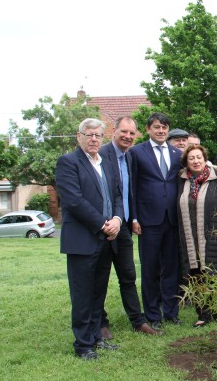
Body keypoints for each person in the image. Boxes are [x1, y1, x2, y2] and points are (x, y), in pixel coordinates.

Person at [55, 118, 123, 360]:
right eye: (89, 134)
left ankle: (96, 337)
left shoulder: (105, 163)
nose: (94, 139)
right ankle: (83, 345)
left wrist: (117, 219)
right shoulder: (68, 162)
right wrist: (102, 224)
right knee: (83, 294)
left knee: (98, 294)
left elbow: (117, 196)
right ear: (79, 136)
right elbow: (73, 201)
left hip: (106, 240)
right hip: (83, 240)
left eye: (97, 135)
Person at [98, 117, 160, 338]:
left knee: (128, 275)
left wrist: (132, 218)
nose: (128, 136)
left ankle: (138, 320)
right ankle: (101, 322)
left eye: (132, 134)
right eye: (124, 132)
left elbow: (130, 191)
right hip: (104, 227)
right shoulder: (102, 155)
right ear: (113, 131)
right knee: (100, 277)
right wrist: (106, 222)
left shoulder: (130, 157)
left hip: (123, 225)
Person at [129, 113, 183, 328]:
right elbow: (130, 187)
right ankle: (153, 315)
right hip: (148, 221)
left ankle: (171, 312)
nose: (161, 131)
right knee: (150, 269)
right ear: (148, 129)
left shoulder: (177, 153)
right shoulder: (136, 152)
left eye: (165, 127)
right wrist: (133, 217)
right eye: (157, 127)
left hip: (172, 219)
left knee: (171, 269)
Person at [177, 145, 217, 327]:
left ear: (205, 159)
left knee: (216, 274)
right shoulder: (181, 181)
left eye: (199, 157)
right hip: (190, 237)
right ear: (186, 162)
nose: (196, 161)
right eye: (191, 158)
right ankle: (202, 313)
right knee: (196, 275)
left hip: (214, 236)